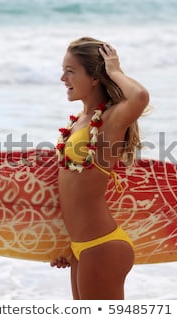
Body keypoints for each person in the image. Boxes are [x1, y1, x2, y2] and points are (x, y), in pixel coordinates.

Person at [51, 37, 149, 300]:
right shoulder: (80, 121)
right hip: (80, 247)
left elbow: (140, 96)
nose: (62, 78)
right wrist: (64, 244)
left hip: (102, 246)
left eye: (70, 71)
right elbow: (70, 192)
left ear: (95, 78)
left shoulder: (110, 120)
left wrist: (114, 71)